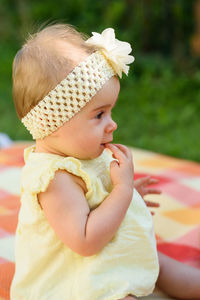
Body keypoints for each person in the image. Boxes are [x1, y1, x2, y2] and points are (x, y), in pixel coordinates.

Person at [10, 24, 200, 300]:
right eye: (99, 115)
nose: (112, 124)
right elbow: (85, 241)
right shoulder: (54, 179)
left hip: (102, 260)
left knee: (154, 261)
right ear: (52, 124)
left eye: (110, 111)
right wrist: (122, 193)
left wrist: (126, 196)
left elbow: (93, 203)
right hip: (72, 280)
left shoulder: (79, 154)